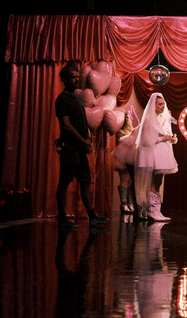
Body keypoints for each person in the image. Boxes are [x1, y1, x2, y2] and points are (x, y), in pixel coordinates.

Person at [54, 62, 109, 229]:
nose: (77, 80)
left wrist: (88, 139)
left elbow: (82, 123)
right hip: (70, 148)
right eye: (73, 77)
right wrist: (82, 139)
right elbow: (66, 125)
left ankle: (92, 217)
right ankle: (62, 218)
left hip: (79, 149)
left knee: (85, 182)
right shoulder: (63, 99)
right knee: (64, 182)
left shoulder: (76, 100)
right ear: (65, 79)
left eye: (78, 77)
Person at [135, 93, 178, 222]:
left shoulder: (164, 118)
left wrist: (172, 139)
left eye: (163, 104)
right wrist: (164, 138)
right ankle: (152, 210)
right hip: (153, 153)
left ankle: (156, 210)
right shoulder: (149, 119)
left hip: (162, 153)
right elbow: (146, 140)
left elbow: (167, 135)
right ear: (153, 105)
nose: (162, 107)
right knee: (154, 180)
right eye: (160, 104)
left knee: (158, 181)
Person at [111, 114, 138, 221]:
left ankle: (129, 203)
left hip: (129, 158)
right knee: (125, 179)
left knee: (130, 181)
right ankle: (124, 204)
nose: (130, 120)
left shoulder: (131, 131)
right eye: (128, 118)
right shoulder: (121, 132)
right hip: (123, 159)